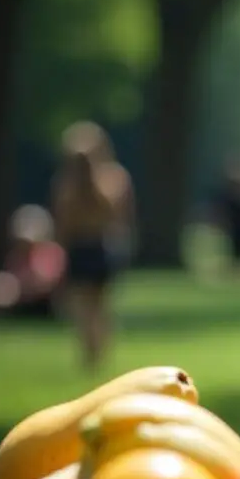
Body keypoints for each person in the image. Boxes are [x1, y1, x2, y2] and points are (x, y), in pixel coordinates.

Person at [51, 121, 134, 372]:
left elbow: (62, 225)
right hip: (101, 247)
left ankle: (89, 352)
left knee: (83, 306)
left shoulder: (66, 187)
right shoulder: (114, 180)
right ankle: (100, 352)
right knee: (101, 305)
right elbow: (123, 217)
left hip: (79, 248)